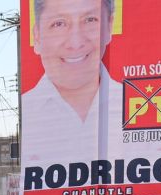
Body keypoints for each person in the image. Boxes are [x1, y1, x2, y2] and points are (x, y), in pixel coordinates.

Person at [22, 0, 124, 165]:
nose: (75, 43)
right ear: (37, 36)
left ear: (109, 26)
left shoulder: (146, 113)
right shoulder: (28, 114)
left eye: (90, 20)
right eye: (59, 24)